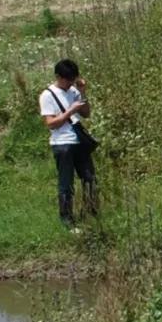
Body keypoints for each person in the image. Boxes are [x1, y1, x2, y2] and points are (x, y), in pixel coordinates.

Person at [39, 59, 97, 230]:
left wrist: (82, 92)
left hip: (79, 142)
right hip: (62, 144)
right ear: (58, 77)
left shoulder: (73, 90)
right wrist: (70, 111)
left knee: (90, 178)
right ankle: (67, 221)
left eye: (73, 79)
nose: (70, 82)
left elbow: (86, 114)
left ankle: (92, 214)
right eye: (67, 79)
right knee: (66, 183)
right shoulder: (47, 95)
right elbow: (50, 123)